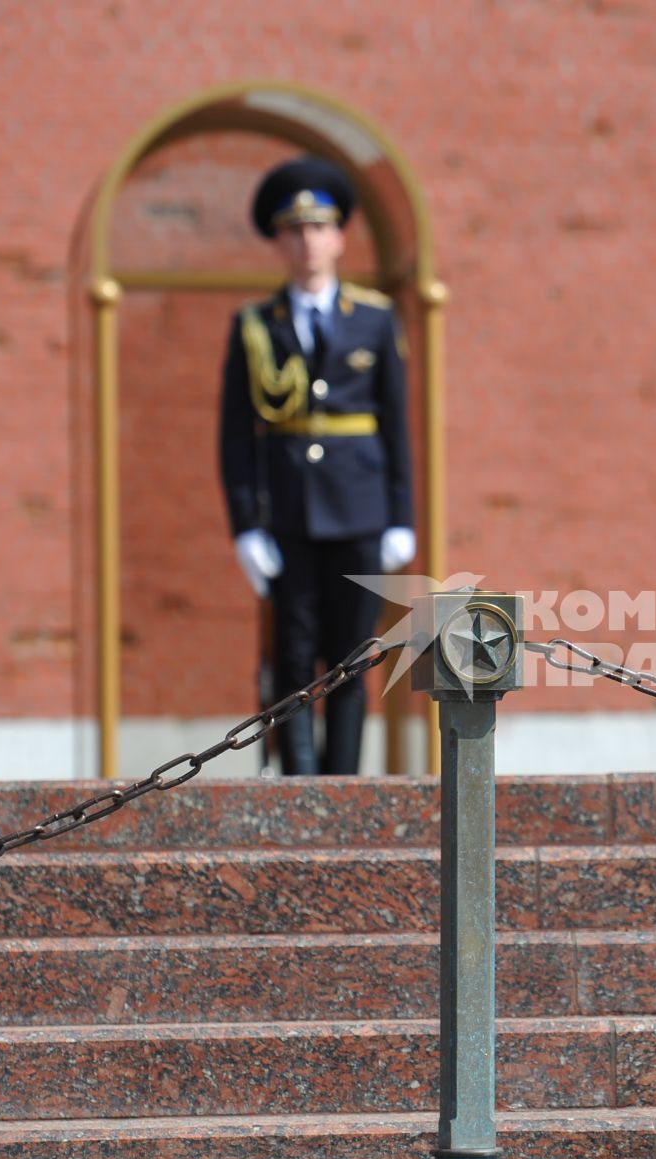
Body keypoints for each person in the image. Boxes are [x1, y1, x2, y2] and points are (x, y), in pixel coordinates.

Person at [218, 155, 416, 775]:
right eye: (295, 230)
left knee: (352, 657)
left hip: (359, 508)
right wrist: (246, 526)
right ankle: (300, 790)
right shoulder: (255, 326)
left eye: (319, 227)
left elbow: (397, 425)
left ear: (339, 236)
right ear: (279, 241)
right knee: (292, 655)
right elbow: (234, 436)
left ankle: (344, 789)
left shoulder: (376, 319)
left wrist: (399, 517)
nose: (308, 242)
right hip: (290, 512)